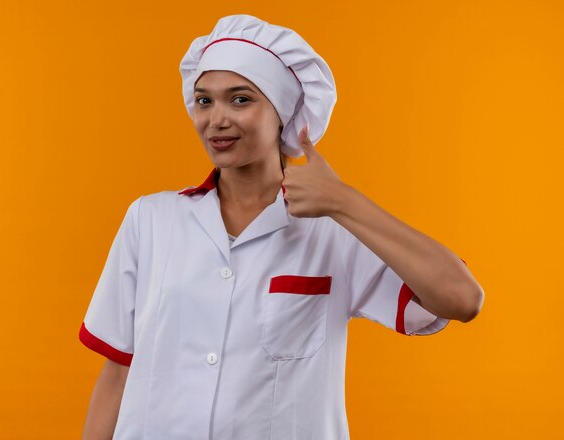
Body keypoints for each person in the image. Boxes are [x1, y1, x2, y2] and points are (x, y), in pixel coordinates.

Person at [79, 14, 485, 439]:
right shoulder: (151, 220)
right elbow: (118, 373)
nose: (216, 119)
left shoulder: (335, 230)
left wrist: (346, 201)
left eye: (240, 100)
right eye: (204, 101)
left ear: (283, 112)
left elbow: (462, 298)